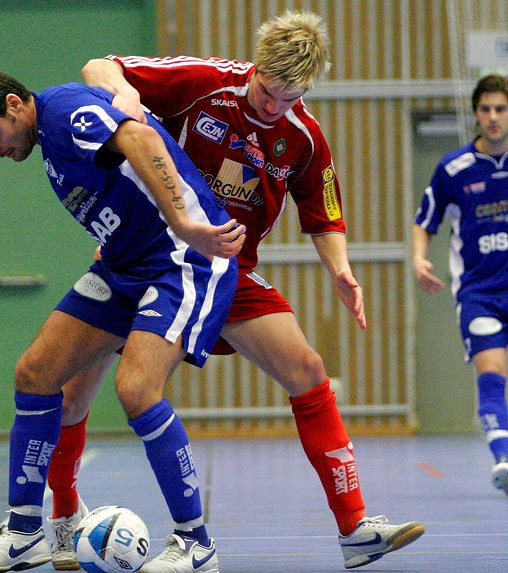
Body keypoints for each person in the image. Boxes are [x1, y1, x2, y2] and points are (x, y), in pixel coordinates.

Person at [40, 10, 427, 572]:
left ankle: (355, 529)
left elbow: (324, 215)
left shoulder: (304, 136)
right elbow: (102, 66)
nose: (272, 106)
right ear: (256, 67)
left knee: (308, 370)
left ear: (306, 89)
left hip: (228, 270)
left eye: (287, 97)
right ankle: (64, 521)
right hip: (148, 255)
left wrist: (340, 270)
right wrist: (123, 98)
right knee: (73, 393)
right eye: (266, 90)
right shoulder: (205, 81)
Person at [0, 66, 245, 573]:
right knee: (35, 374)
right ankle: (24, 533)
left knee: (136, 389)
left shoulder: (62, 113)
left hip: (181, 258)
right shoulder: (48, 140)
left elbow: (140, 138)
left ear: (16, 105)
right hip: (123, 266)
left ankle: (196, 544)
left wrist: (184, 223)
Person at [413, 73, 508, 496]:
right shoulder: (453, 168)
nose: (493, 117)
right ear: (475, 113)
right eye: (486, 109)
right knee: (491, 374)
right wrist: (419, 258)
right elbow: (424, 221)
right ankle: (503, 459)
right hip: (479, 294)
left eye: (501, 109)